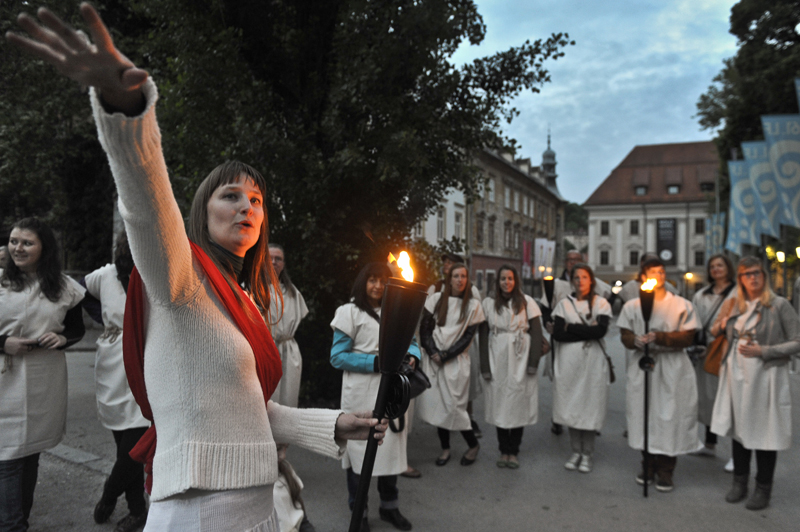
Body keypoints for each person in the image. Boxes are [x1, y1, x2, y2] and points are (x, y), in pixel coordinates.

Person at [7, 7, 385, 530]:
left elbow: (254, 411)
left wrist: (336, 423)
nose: (248, 206)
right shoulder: (179, 279)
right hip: (197, 512)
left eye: (257, 199)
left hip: (257, 508)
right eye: (231, 195)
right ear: (201, 213)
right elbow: (144, 201)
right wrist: (126, 110)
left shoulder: (243, 298)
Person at [0, 217, 86, 531]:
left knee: (30, 454)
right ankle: (12, 525)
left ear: (44, 248)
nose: (17, 248)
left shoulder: (64, 287)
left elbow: (75, 329)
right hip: (4, 377)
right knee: (6, 457)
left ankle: (19, 518)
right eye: (13, 241)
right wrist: (3, 342)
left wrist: (63, 339)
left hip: (44, 378)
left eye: (26, 242)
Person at [330, 262, 417, 532]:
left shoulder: (400, 310)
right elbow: (337, 356)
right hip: (361, 394)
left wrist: (413, 356)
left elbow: (412, 342)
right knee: (360, 455)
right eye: (372, 280)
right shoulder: (349, 312)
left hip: (390, 393)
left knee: (390, 453)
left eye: (383, 280)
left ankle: (389, 507)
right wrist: (378, 363)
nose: (378, 286)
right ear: (362, 283)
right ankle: (360, 512)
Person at [710, 256, 800, 511]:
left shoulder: (779, 305)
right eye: (747, 274)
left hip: (766, 376)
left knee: (764, 432)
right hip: (735, 374)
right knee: (740, 430)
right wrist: (721, 322)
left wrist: (766, 350)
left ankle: (763, 488)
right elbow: (715, 332)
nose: (753, 277)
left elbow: (798, 340)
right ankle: (740, 483)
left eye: (757, 272)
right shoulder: (734, 304)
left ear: (765, 275)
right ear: (740, 279)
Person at [82, 231, 150, 532]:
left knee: (134, 447)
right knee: (124, 444)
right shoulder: (105, 275)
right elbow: (79, 294)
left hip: (146, 362)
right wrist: (106, 321)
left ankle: (109, 494)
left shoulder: (157, 272)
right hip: (112, 364)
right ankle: (138, 510)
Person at [617, 257, 699, 493]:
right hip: (644, 366)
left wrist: (661, 337)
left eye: (662, 271)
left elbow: (688, 337)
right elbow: (625, 334)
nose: (660, 275)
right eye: (653, 272)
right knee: (645, 415)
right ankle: (648, 465)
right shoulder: (632, 306)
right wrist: (635, 340)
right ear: (643, 277)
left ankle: (666, 469)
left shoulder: (680, 304)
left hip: (672, 365)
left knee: (669, 417)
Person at [418, 263, 485, 466]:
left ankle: (473, 445)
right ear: (449, 279)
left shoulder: (473, 305)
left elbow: (467, 337)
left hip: (456, 361)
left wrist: (446, 355)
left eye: (463, 276)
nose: (459, 280)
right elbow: (425, 329)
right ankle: (445, 449)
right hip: (435, 360)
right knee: (439, 406)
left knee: (454, 406)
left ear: (468, 279)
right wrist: (432, 351)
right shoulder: (436, 300)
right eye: (456, 276)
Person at [478, 265, 545, 469]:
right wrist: (485, 366)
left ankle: (513, 451)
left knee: (517, 404)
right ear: (497, 282)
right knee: (500, 404)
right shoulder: (488, 304)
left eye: (510, 278)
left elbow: (536, 334)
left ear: (515, 281)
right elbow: (482, 336)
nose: (506, 282)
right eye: (502, 279)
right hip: (497, 355)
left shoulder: (527, 302)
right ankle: (503, 449)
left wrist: (533, 362)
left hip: (521, 357)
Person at [551, 264, 612, 474]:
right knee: (572, 406)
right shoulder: (564, 305)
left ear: (591, 280)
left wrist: (572, 327)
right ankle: (575, 451)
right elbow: (558, 334)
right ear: (572, 281)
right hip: (569, 362)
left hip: (592, 362)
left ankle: (588, 453)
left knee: (590, 406)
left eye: (584, 277)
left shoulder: (601, 303)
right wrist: (587, 330)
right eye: (576, 277)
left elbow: (600, 332)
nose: (580, 281)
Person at [428, 252, 484, 438]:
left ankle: (469, 418)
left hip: (463, 347)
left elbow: (475, 322)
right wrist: (432, 349)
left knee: (464, 387)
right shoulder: (436, 289)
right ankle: (444, 430)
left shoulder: (472, 292)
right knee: (441, 390)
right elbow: (426, 318)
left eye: (451, 262)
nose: (446, 265)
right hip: (439, 346)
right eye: (445, 263)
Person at [689, 254, 736, 469]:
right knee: (709, 398)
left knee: (731, 401)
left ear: (728, 268)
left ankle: (738, 453)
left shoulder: (738, 292)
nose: (716, 269)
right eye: (712, 266)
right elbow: (694, 321)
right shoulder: (701, 294)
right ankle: (710, 444)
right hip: (706, 352)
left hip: (729, 352)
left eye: (720, 265)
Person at [267, 244, 309, 408]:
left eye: (278, 259)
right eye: (269, 258)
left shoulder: (293, 293)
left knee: (288, 398)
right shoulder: (252, 289)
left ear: (283, 264)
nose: (274, 262)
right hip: (265, 348)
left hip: (289, 351)